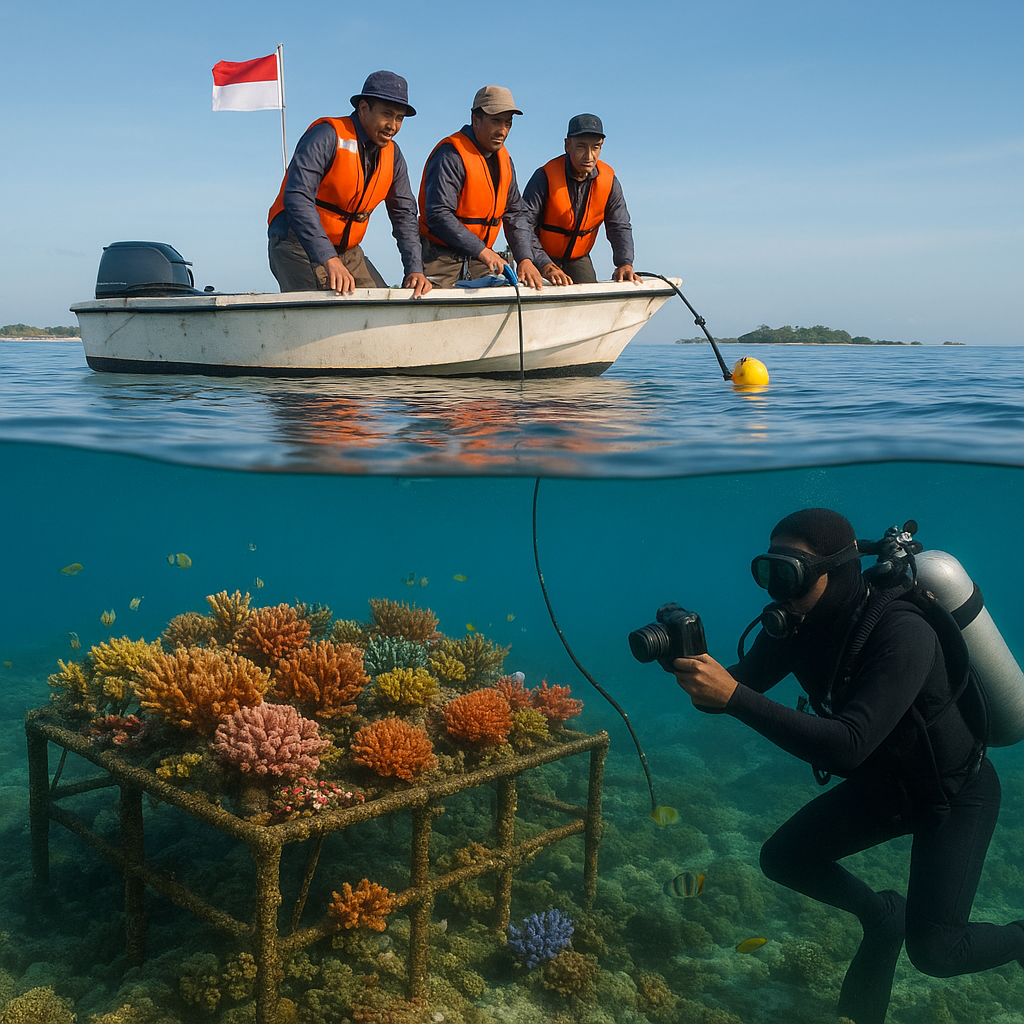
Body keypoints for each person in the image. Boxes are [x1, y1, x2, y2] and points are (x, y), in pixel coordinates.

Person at [670, 508, 1024, 1024]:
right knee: (785, 859)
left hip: (953, 793)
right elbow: (735, 688)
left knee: (937, 952)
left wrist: (731, 696)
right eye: (768, 573)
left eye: (790, 575)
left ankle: (1019, 938)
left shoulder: (902, 631)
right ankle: (883, 916)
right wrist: (687, 660)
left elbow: (846, 746)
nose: (777, 592)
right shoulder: (796, 625)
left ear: (835, 572)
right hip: (886, 787)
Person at [267, 71, 430, 298]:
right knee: (325, 312)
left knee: (384, 306)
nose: (393, 126)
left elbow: (404, 214)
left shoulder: (393, 156)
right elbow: (297, 197)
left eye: (399, 118)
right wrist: (328, 258)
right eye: (387, 114)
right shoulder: (327, 135)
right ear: (363, 108)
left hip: (348, 252)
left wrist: (415, 269)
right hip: (296, 243)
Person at [417, 85, 544, 289]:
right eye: (496, 121)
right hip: (440, 260)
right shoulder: (450, 155)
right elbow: (438, 215)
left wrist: (525, 259)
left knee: (512, 293)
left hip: (482, 260)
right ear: (475, 120)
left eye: (508, 123)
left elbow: (515, 214)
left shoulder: (505, 162)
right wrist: (482, 251)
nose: (502, 130)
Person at [522, 113, 637, 286]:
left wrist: (625, 263)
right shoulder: (543, 177)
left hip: (579, 258)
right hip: (541, 257)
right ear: (567, 145)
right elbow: (524, 226)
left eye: (595, 147)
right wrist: (544, 265)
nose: (589, 156)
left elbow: (619, 225)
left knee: (591, 301)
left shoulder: (609, 181)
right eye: (581, 147)